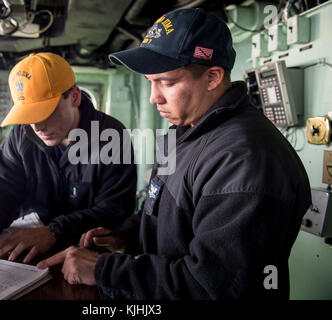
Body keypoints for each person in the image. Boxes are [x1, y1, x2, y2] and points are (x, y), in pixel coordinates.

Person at [36, 8, 311, 299]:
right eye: (150, 83)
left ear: (213, 76)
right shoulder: (180, 133)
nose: (154, 97)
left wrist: (105, 270)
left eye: (166, 83)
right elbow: (155, 208)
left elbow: (212, 287)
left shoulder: (246, 160)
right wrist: (124, 236)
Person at [0, 52, 137, 264]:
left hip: (87, 260)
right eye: (28, 116)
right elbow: (2, 189)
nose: (37, 126)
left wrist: (54, 231)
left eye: (45, 113)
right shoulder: (21, 135)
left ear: (74, 97)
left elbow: (114, 212)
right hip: (28, 256)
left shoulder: (111, 136)